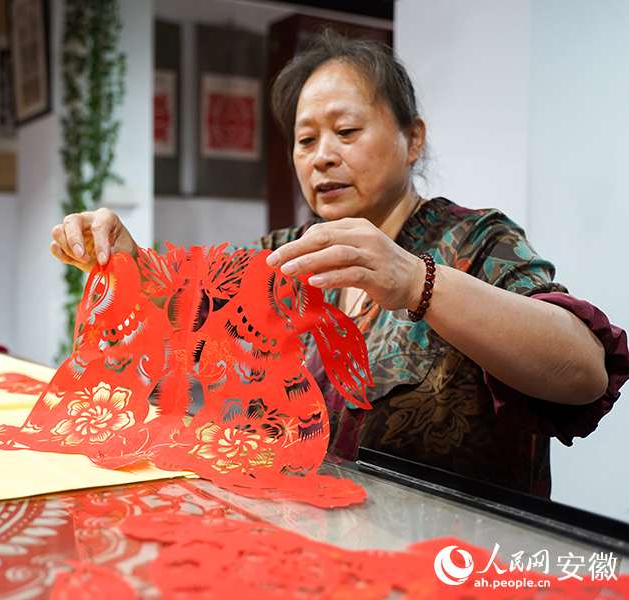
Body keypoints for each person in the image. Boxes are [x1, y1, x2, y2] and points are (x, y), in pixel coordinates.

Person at [49, 30, 628, 496]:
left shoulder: (476, 240)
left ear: (413, 139)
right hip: (304, 541)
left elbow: (584, 374)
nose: (323, 156)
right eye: (305, 141)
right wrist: (130, 267)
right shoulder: (282, 253)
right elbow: (188, 326)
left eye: (347, 131)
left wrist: (417, 283)